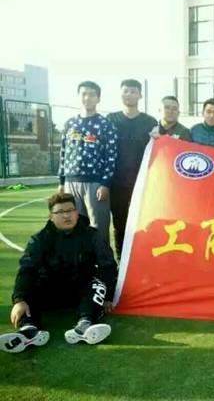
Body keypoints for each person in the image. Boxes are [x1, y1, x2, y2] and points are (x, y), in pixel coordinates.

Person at [0, 193, 118, 353]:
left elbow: (107, 265)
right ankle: (28, 329)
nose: (66, 215)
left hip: (80, 291)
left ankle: (85, 324)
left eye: (70, 210)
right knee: (30, 288)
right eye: (60, 212)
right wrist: (19, 299)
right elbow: (27, 268)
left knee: (97, 284)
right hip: (50, 290)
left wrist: (108, 296)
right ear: (51, 216)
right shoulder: (40, 239)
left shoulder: (92, 235)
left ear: (77, 213)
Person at [58, 81, 117, 245]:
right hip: (71, 182)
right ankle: (79, 261)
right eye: (84, 94)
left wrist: (105, 183)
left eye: (91, 94)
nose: (87, 98)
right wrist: (61, 181)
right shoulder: (70, 124)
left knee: (99, 229)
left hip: (95, 184)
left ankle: (103, 260)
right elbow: (63, 152)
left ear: (98, 98)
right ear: (79, 97)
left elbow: (111, 156)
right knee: (74, 227)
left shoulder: (106, 125)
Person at [107, 79, 157, 259]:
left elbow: (159, 149)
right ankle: (122, 262)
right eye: (126, 91)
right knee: (119, 224)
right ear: (121, 94)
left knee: (144, 223)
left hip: (143, 183)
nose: (129, 94)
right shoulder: (110, 119)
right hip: (117, 183)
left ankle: (141, 261)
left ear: (140, 95)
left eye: (133, 91)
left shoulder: (150, 122)